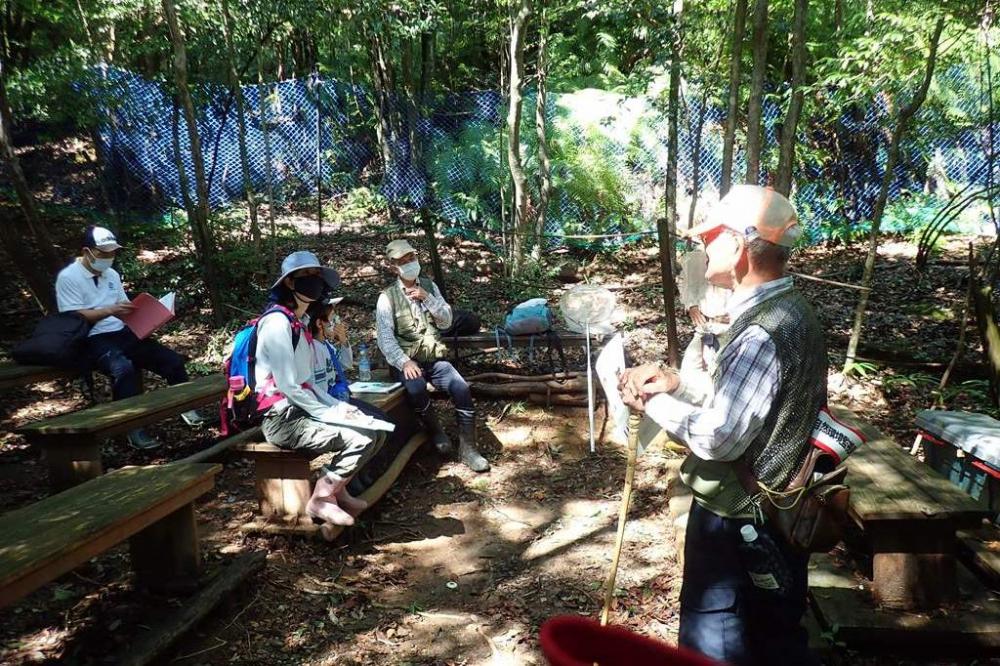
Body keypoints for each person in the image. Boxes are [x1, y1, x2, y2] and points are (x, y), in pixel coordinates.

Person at [619, 185, 825, 666]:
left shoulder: (760, 329)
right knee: (775, 631)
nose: (703, 249)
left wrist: (649, 404)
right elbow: (745, 404)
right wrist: (676, 383)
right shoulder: (789, 309)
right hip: (776, 510)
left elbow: (720, 438)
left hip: (740, 519)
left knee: (718, 638)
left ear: (737, 245)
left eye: (709, 238)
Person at [256, 251, 386, 527]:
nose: (313, 282)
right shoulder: (277, 323)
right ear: (290, 283)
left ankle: (339, 490)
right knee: (359, 439)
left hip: (302, 409)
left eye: (316, 276)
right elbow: (289, 386)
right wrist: (332, 415)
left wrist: (341, 408)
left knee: (374, 432)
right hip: (283, 419)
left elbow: (310, 384)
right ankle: (321, 498)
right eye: (305, 276)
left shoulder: (299, 324)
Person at [55, 225, 206, 450]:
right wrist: (110, 311)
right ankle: (132, 428)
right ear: (87, 251)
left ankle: (187, 407)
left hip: (122, 331)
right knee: (123, 369)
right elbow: (73, 316)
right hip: (91, 337)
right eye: (103, 253)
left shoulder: (112, 274)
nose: (109, 257)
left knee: (172, 361)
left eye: (112, 252)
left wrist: (148, 317)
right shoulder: (68, 278)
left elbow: (124, 307)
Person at [375, 239, 489, 472]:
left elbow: (446, 321)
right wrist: (404, 361)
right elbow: (385, 339)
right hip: (407, 360)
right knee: (415, 388)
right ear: (393, 267)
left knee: (461, 387)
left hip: (434, 358)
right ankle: (435, 431)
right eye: (402, 261)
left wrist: (427, 297)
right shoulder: (387, 298)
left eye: (411, 258)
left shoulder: (429, 286)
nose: (408, 264)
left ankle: (468, 449)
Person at [677, 242, 732, 386]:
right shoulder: (696, 257)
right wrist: (691, 305)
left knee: (720, 376)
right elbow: (684, 282)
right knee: (689, 371)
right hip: (705, 326)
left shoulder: (736, 255)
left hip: (729, 329)